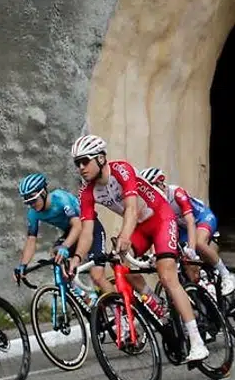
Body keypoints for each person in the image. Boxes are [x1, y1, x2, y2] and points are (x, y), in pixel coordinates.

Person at [67, 135, 210, 363]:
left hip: (161, 218)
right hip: (140, 229)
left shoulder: (121, 170)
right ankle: (155, 303)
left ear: (101, 158)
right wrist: (76, 257)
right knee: (122, 266)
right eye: (77, 163)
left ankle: (197, 342)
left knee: (167, 275)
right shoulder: (87, 192)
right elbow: (86, 230)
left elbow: (132, 209)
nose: (81, 168)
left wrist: (124, 236)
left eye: (85, 161)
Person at [139, 167, 235, 296]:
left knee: (199, 244)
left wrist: (192, 249)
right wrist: (153, 254)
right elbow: (156, 230)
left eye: (152, 187)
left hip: (201, 218)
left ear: (161, 183)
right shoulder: (155, 203)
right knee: (184, 262)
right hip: (182, 227)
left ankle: (225, 275)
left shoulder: (176, 193)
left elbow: (190, 221)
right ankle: (201, 284)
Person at [12, 173, 112, 295]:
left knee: (97, 276)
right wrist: (23, 265)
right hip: (72, 231)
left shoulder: (60, 199)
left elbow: (77, 225)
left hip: (90, 228)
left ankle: (121, 310)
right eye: (28, 202)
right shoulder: (33, 213)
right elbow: (31, 240)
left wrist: (65, 247)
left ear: (43, 192)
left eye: (33, 200)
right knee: (57, 254)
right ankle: (84, 298)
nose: (31, 205)